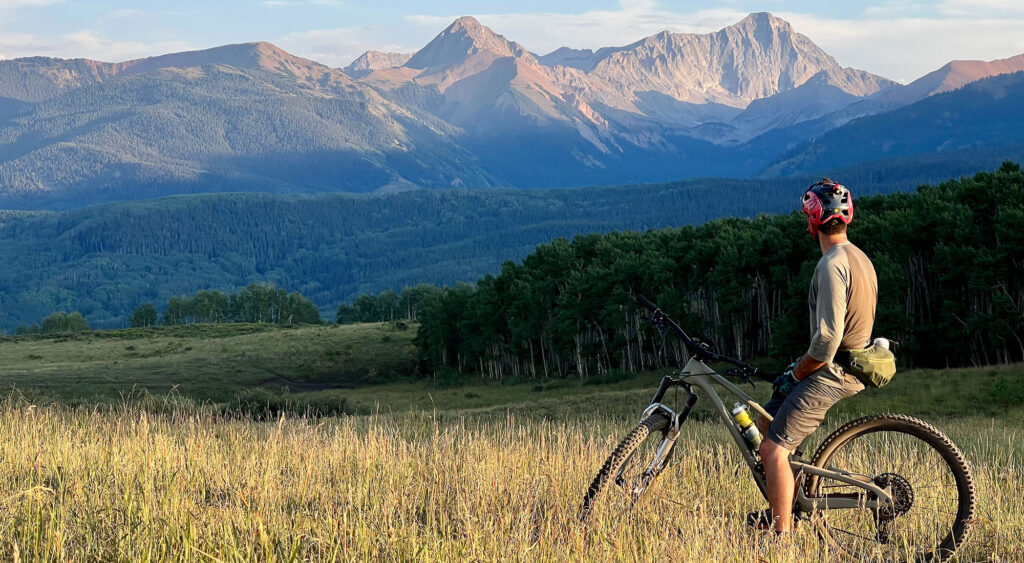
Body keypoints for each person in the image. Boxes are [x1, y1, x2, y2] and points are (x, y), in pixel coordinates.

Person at [748, 178, 878, 535]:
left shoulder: (831, 264)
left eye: (806, 215)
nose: (805, 222)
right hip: (842, 364)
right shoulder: (859, 257)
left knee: (774, 449)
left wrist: (798, 372)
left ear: (814, 220)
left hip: (833, 370)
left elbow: (826, 340)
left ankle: (782, 538)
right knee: (764, 422)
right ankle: (786, 501)